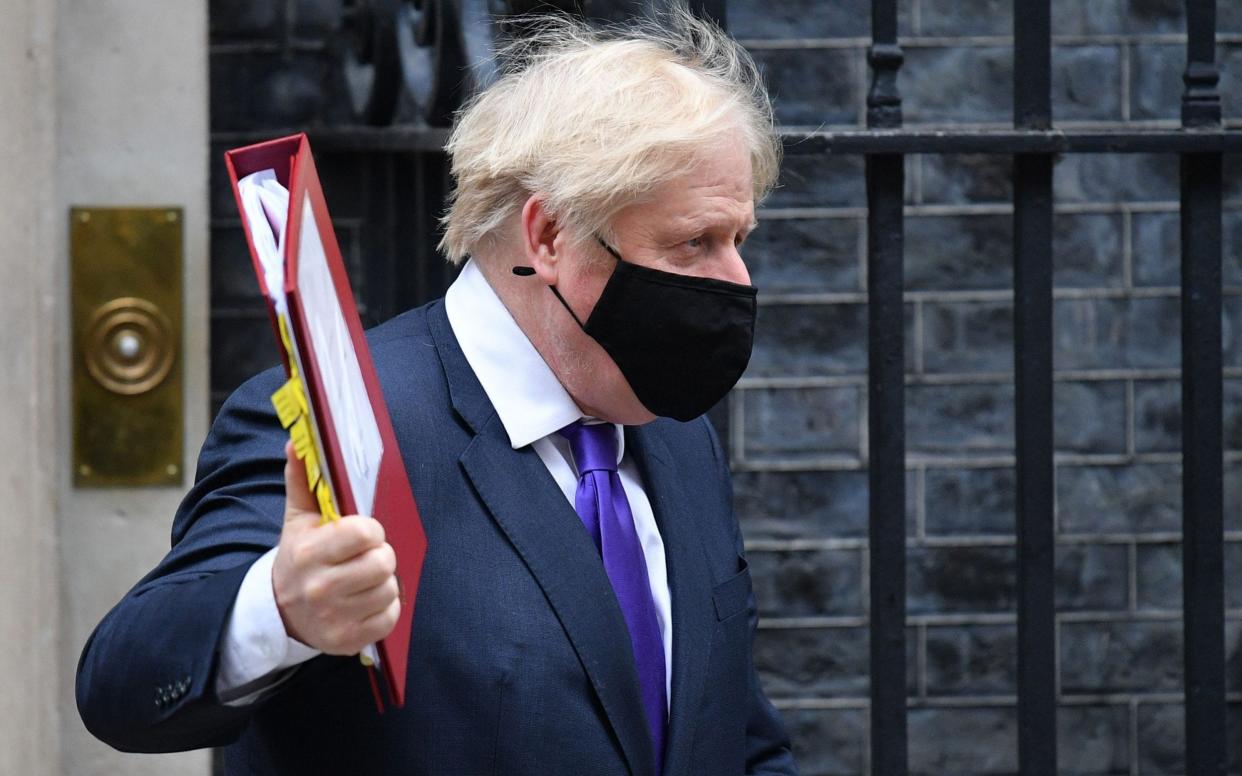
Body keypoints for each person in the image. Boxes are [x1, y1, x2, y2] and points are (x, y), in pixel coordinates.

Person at [77, 10, 797, 775]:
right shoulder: (349, 422)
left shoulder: (672, 430)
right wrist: (281, 609)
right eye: (695, 243)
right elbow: (123, 681)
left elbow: (738, 737)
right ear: (549, 236)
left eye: (738, 241)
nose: (737, 283)